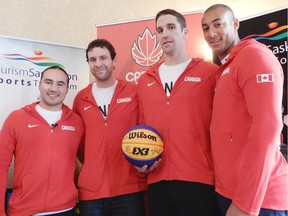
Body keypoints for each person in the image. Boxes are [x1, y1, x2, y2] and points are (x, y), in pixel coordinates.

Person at [201, 4, 288, 216]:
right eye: (205, 28)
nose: (211, 33)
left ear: (235, 24)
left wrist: (246, 204)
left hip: (259, 201)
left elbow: (267, 129)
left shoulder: (254, 56)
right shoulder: (225, 68)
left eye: (218, 24)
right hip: (229, 194)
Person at [136, 9, 219, 216]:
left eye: (171, 28)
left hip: (199, 179)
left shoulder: (209, 73)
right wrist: (140, 160)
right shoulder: (145, 80)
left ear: (184, 32)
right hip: (156, 180)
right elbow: (142, 127)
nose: (164, 34)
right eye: (160, 30)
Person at [73, 39, 147, 216]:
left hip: (129, 188)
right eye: (92, 60)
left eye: (103, 58)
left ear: (114, 61)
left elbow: (145, 129)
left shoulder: (133, 91)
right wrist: (94, 161)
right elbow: (79, 144)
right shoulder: (80, 98)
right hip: (92, 193)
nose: (98, 64)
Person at [0, 66, 84, 216]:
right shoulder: (16, 118)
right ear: (39, 84)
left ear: (67, 88)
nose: (53, 88)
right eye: (48, 82)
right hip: (23, 210)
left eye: (60, 84)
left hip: (65, 210)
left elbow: (89, 159)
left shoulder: (77, 122)